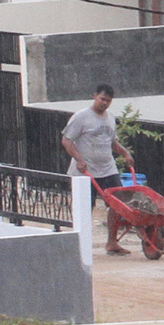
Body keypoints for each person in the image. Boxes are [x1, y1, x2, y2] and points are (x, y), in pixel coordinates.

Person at [63, 83, 137, 255]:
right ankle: (79, 245)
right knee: (84, 207)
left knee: (117, 205)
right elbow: (67, 140)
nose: (104, 103)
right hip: (85, 170)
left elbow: (112, 142)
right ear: (94, 96)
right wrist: (79, 160)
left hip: (108, 169)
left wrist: (126, 154)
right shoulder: (81, 117)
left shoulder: (110, 118)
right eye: (102, 99)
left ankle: (112, 242)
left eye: (108, 101)